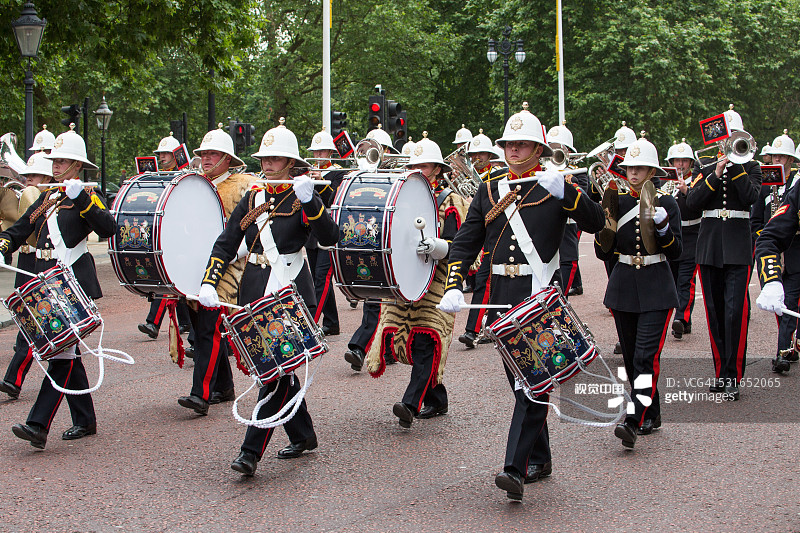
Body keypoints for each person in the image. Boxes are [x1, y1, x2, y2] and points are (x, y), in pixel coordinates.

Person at [438, 103, 604, 501]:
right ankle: (540, 459)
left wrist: (570, 195)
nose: (513, 150)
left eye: (522, 144)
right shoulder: (489, 188)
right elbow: (466, 242)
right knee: (521, 381)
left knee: (533, 382)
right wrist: (455, 284)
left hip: (539, 293)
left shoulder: (556, 184)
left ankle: (514, 466)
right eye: (509, 144)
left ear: (538, 149)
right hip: (501, 295)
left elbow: (597, 223)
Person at [195, 119, 338, 476]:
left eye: (275, 159)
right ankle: (303, 435)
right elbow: (227, 242)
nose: (269, 164)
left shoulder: (304, 195)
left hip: (291, 293)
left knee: (274, 375)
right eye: (265, 158)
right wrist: (209, 281)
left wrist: (312, 202)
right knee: (278, 372)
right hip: (256, 293)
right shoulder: (253, 197)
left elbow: (329, 237)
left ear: (290, 162)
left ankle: (250, 452)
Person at [0, 126, 116, 449]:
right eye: (54, 161)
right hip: (48, 283)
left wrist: (83, 200)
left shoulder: (86, 195)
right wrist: (3, 244)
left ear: (77, 165)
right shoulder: (48, 197)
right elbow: (22, 227)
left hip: (72, 285)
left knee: (61, 354)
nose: (56, 166)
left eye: (62, 161)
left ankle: (38, 425)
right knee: (68, 352)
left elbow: (108, 228)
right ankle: (85, 419)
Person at [363, 132, 469, 425]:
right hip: (404, 278)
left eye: (423, 166)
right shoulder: (399, 198)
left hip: (437, 279)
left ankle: (410, 404)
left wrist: (438, 246)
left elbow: (461, 246)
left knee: (425, 339)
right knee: (404, 338)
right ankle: (437, 398)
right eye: (412, 166)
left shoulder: (451, 201)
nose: (416, 171)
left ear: (437, 169)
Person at [595, 135, 682, 448]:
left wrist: (664, 229)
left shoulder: (666, 203)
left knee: (646, 356)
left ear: (652, 171)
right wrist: (604, 226)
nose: (633, 172)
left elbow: (677, 252)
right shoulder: (616, 201)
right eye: (630, 167)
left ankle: (633, 419)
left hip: (656, 285)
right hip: (623, 285)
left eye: (640, 168)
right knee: (633, 359)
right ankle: (651, 412)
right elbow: (603, 253)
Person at [176, 124, 255, 415]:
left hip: (229, 266)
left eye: (213, 154)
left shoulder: (245, 184)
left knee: (209, 327)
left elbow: (256, 227)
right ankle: (224, 386)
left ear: (227, 158)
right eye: (204, 153)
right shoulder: (194, 184)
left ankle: (201, 393)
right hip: (198, 265)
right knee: (201, 328)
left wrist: (234, 254)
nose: (206, 159)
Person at [686, 105, 761, 400]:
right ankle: (721, 372)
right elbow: (693, 202)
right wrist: (716, 173)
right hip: (710, 246)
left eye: (733, 137)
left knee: (735, 313)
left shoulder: (751, 166)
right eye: (725, 138)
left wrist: (736, 164)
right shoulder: (704, 166)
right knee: (715, 313)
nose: (728, 142)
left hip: (738, 245)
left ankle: (734, 375)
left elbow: (751, 197)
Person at [0, 152, 53, 399]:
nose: (29, 179)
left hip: (48, 266)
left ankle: (14, 379)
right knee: (29, 320)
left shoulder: (57, 201)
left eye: (35, 175)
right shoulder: (31, 199)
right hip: (26, 261)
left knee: (33, 323)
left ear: (48, 178)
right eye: (28, 175)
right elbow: (18, 228)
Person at [137, 132, 192, 341]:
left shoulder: (185, 176)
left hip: (180, 232)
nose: (161, 157)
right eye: (160, 154)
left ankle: (153, 322)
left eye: (166, 154)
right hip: (162, 230)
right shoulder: (157, 176)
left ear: (176, 155)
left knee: (166, 279)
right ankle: (186, 322)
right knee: (174, 279)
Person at [751, 130, 798, 372]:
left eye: (782, 156)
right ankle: (785, 349)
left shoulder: (795, 182)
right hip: (780, 251)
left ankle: (787, 346)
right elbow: (759, 224)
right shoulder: (766, 184)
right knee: (785, 303)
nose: (777, 159)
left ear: (790, 159)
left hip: (795, 250)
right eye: (774, 156)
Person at [459, 129, 502, 348]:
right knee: (483, 282)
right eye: (473, 155)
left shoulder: (498, 176)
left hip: (497, 234)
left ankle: (477, 329)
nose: (476, 158)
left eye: (481, 154)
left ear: (490, 155)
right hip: (477, 233)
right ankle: (479, 328)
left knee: (487, 283)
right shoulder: (467, 178)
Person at [305, 128, 346, 336]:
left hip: (329, 230)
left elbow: (334, 199)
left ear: (330, 153)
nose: (318, 155)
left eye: (321, 151)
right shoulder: (308, 172)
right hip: (312, 232)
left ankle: (312, 324)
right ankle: (331, 322)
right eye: (315, 151)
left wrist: (320, 181)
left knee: (321, 278)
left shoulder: (338, 173)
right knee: (317, 277)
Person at [666, 139, 702, 340]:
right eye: (677, 161)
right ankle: (677, 318)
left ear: (690, 163)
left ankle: (682, 318)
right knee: (671, 278)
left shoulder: (696, 182)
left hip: (692, 234)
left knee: (686, 281)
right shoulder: (666, 182)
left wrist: (687, 191)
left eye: (684, 161)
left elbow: (698, 205)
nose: (680, 164)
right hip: (672, 236)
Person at [547, 121, 587, 296]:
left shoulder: (577, 172)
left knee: (568, 259)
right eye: (551, 147)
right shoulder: (544, 169)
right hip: (547, 220)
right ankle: (573, 285)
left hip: (568, 222)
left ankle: (561, 295)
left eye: (558, 148)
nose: (553, 151)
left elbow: (582, 195)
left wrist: (566, 179)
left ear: (568, 151)